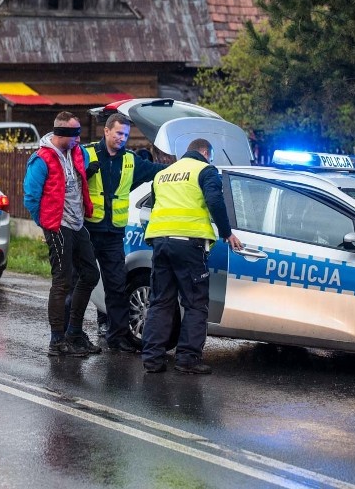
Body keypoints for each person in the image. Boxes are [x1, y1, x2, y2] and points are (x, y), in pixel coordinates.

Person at [141, 138, 244, 375]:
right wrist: (227, 233)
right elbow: (215, 200)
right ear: (206, 152)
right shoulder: (205, 170)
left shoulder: (165, 174)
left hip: (160, 242)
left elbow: (156, 206)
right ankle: (187, 359)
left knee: (160, 301)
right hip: (188, 244)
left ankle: (152, 359)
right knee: (195, 303)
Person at [84, 113, 166, 352]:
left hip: (113, 234)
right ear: (106, 131)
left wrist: (184, 167)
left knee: (116, 285)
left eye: (126, 135)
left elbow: (156, 171)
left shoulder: (130, 161)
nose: (122, 138)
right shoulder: (86, 154)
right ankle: (71, 335)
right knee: (80, 282)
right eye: (118, 133)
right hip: (88, 230)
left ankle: (117, 336)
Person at [24, 111, 101, 357]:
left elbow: (81, 178)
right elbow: (31, 196)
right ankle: (57, 341)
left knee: (90, 274)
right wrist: (46, 223)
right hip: (58, 225)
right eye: (75, 133)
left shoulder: (76, 152)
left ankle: (74, 333)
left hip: (78, 224)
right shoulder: (42, 159)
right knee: (62, 281)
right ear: (61, 134)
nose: (79, 138)